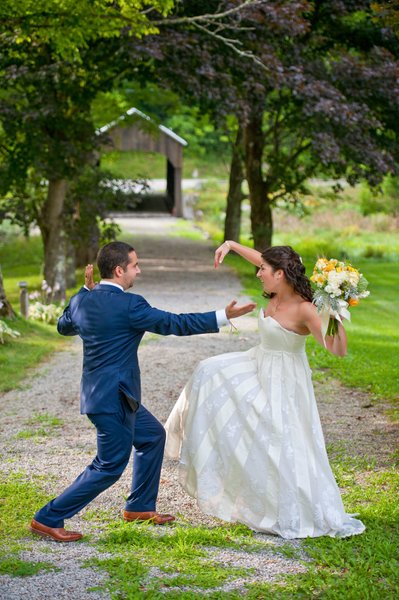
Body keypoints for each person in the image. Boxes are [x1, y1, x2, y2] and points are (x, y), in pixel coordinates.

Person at [30, 241, 256, 542]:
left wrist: (85, 292)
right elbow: (174, 323)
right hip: (115, 399)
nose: (140, 269)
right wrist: (222, 316)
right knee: (109, 466)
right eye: (135, 265)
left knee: (152, 436)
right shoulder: (130, 305)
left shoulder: (83, 300)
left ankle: (139, 507)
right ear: (120, 269)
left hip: (103, 395)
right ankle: (48, 517)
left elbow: (64, 326)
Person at [165, 241, 365, 539]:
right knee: (208, 370)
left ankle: (291, 505)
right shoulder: (276, 286)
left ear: (281, 274)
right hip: (257, 361)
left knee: (282, 440)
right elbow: (265, 259)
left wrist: (335, 311)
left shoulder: (306, 309)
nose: (259, 273)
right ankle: (196, 450)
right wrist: (231, 245)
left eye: (263, 270)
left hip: (284, 378)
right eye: (260, 267)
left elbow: (338, 350)